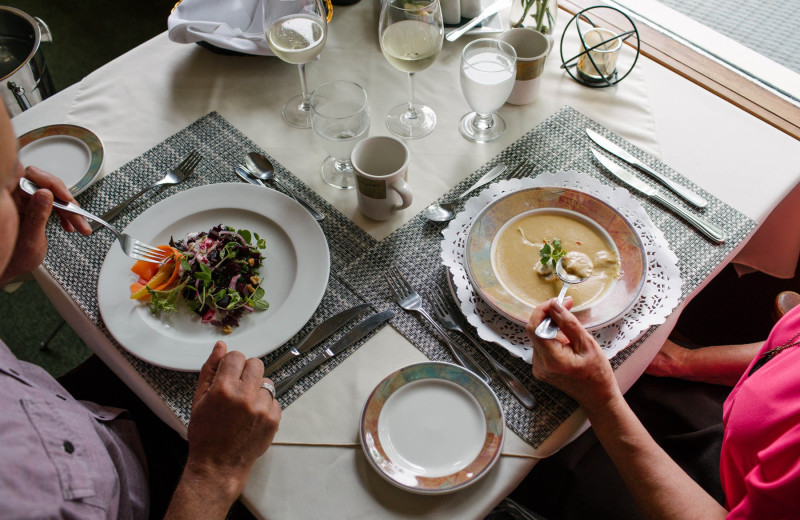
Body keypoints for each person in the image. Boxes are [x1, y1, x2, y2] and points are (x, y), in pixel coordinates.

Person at [0, 104, 281, 519]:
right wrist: (215, 471)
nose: (29, 187)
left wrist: (7, 261)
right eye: (8, 182)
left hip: (94, 424)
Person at [513, 296, 800, 519]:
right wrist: (681, 362)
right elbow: (789, 346)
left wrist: (601, 401)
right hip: (733, 433)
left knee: (539, 462)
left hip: (716, 502)